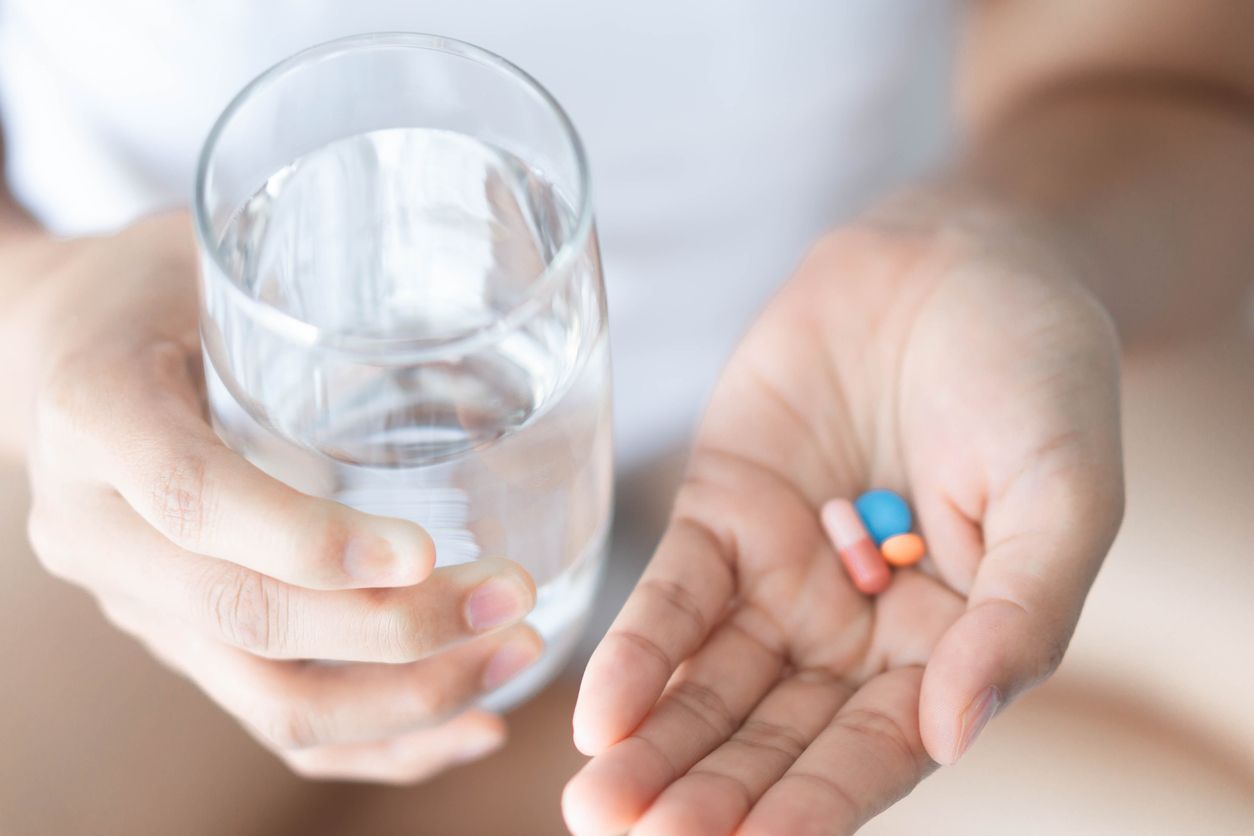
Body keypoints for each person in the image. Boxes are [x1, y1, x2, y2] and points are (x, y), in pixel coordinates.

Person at [1, 2, 1251, 834]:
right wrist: (33, 306)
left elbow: (1185, 69)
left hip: (873, 355)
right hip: (179, 394)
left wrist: (1021, 232)